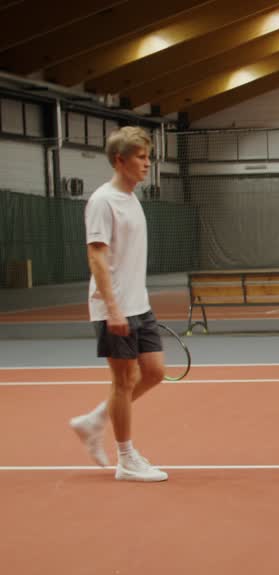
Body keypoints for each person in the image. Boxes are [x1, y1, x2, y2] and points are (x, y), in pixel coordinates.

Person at [68, 126, 168, 482]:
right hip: (114, 307)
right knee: (124, 381)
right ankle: (126, 459)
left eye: (148, 157)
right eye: (141, 158)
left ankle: (95, 420)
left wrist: (135, 301)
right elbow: (97, 257)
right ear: (119, 160)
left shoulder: (132, 198)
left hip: (139, 304)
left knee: (154, 372)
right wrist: (113, 309)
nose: (147, 164)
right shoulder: (102, 201)